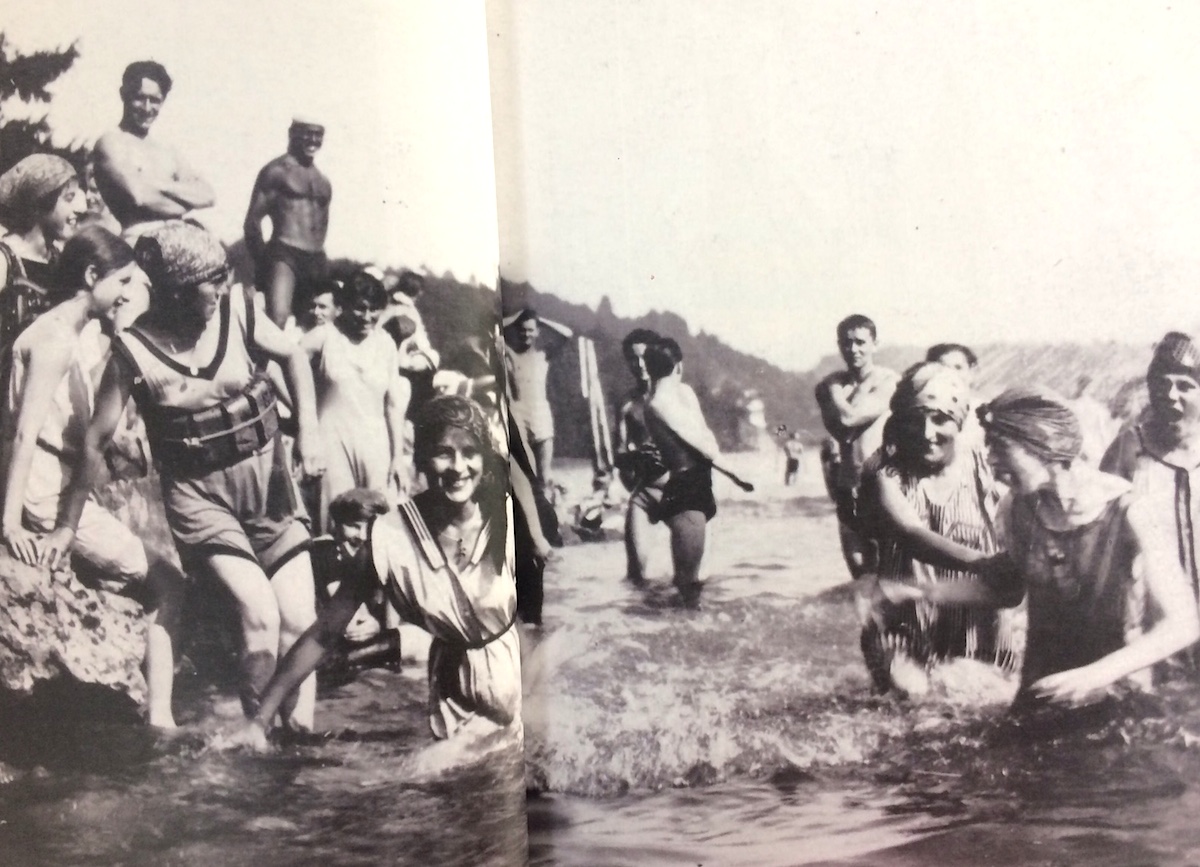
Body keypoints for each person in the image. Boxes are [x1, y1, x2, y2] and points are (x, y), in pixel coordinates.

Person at [43, 221, 325, 731]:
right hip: (200, 498)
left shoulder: (237, 310)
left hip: (270, 482)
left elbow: (294, 355)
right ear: (174, 291)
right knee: (259, 616)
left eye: (224, 276)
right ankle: (257, 741)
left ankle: (300, 741)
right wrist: (68, 523)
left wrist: (310, 429)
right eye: (210, 281)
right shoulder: (134, 350)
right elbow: (95, 441)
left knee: (301, 621)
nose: (221, 287)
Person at [883, 388, 1199, 710]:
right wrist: (922, 593)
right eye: (988, 448)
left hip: (1115, 690)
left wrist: (1095, 676)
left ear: (1044, 445)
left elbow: (1184, 622)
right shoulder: (1016, 509)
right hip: (1042, 686)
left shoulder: (1131, 511)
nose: (990, 460)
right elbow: (1007, 590)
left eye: (1000, 447)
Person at [232, 396, 520, 745]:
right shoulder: (390, 539)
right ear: (422, 460)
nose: (458, 467)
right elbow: (324, 633)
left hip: (519, 687)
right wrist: (260, 720)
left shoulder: (505, 517)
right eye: (443, 453)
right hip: (456, 704)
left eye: (469, 452)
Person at [0, 226, 184, 728]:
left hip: (51, 480)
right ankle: (160, 720)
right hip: (42, 490)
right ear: (90, 276)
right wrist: (12, 522)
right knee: (170, 584)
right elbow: (23, 434)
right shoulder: (58, 338)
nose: (128, 293)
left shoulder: (66, 328)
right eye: (121, 281)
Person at [857, 363, 1016, 696]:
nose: (927, 432)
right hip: (904, 623)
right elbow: (910, 533)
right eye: (916, 420)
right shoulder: (883, 470)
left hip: (977, 621)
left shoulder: (986, 468)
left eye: (941, 419)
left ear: (958, 422)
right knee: (913, 701)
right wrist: (984, 564)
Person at [1102, 332, 1200, 666]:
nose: (1170, 395)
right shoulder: (1129, 448)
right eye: (1161, 384)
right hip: (1154, 629)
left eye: (1185, 385)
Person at [302, 268, 409, 533]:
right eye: (360, 308)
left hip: (376, 443)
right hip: (332, 440)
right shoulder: (325, 335)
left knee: (379, 522)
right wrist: (301, 415)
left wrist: (398, 457)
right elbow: (280, 366)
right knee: (335, 522)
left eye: (375, 309)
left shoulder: (386, 344)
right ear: (345, 306)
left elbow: (393, 405)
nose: (367, 316)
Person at [815, 314, 899, 578]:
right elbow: (840, 431)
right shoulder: (829, 386)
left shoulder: (889, 381)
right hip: (848, 488)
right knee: (861, 576)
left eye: (861, 342)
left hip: (884, 486)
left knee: (892, 573)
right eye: (847, 343)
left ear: (875, 343)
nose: (854, 350)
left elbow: (850, 418)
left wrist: (835, 391)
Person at [92, 61, 214, 234]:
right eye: (140, 98)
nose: (147, 108)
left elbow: (207, 195)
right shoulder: (112, 143)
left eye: (155, 100)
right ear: (124, 95)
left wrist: (156, 185)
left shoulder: (166, 150)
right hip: (139, 242)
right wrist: (186, 202)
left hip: (179, 241)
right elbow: (139, 198)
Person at [642, 338, 720, 607]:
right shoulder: (657, 404)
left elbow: (704, 437)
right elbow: (704, 447)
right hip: (685, 487)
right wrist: (735, 474)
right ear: (679, 367)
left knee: (694, 581)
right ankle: (684, 633)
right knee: (689, 583)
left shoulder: (682, 394)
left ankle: (688, 634)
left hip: (698, 485)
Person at [243, 118, 332, 328]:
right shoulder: (277, 171)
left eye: (318, 134)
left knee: (314, 324)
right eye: (307, 133)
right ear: (292, 133)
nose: (313, 139)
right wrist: (264, 263)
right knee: (277, 320)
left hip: (316, 258)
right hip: (285, 254)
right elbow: (252, 222)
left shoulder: (323, 181)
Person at [0, 154, 89, 358]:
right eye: (69, 198)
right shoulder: (5, 258)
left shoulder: (59, 258)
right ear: (40, 203)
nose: (80, 208)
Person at [614, 328, 663, 585]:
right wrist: (636, 461)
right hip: (647, 492)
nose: (640, 365)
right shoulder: (626, 404)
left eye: (645, 357)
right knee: (636, 576)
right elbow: (620, 458)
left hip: (684, 490)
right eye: (633, 359)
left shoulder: (679, 395)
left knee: (691, 583)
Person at [503, 308, 570, 489]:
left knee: (545, 476)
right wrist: (516, 317)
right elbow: (494, 329)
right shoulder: (509, 354)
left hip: (541, 415)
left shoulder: (543, 355)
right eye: (522, 329)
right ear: (517, 330)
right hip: (518, 414)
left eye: (531, 330)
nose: (526, 334)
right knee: (525, 474)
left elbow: (567, 334)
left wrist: (541, 320)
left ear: (538, 331)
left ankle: (547, 512)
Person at [378, 270, 439, 417]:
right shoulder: (408, 311)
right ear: (418, 292)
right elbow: (419, 341)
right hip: (402, 365)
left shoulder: (388, 305)